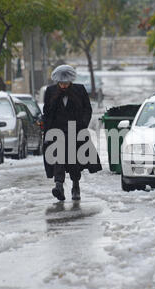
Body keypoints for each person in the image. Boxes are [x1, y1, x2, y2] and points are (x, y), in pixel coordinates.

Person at [42, 65, 102, 201]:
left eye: (66, 83)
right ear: (57, 81)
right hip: (56, 132)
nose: (63, 86)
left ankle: (75, 186)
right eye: (61, 83)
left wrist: (83, 124)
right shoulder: (50, 91)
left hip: (76, 131)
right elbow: (46, 113)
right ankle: (59, 186)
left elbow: (87, 109)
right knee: (58, 157)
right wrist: (46, 132)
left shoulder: (79, 90)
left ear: (70, 81)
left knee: (74, 160)